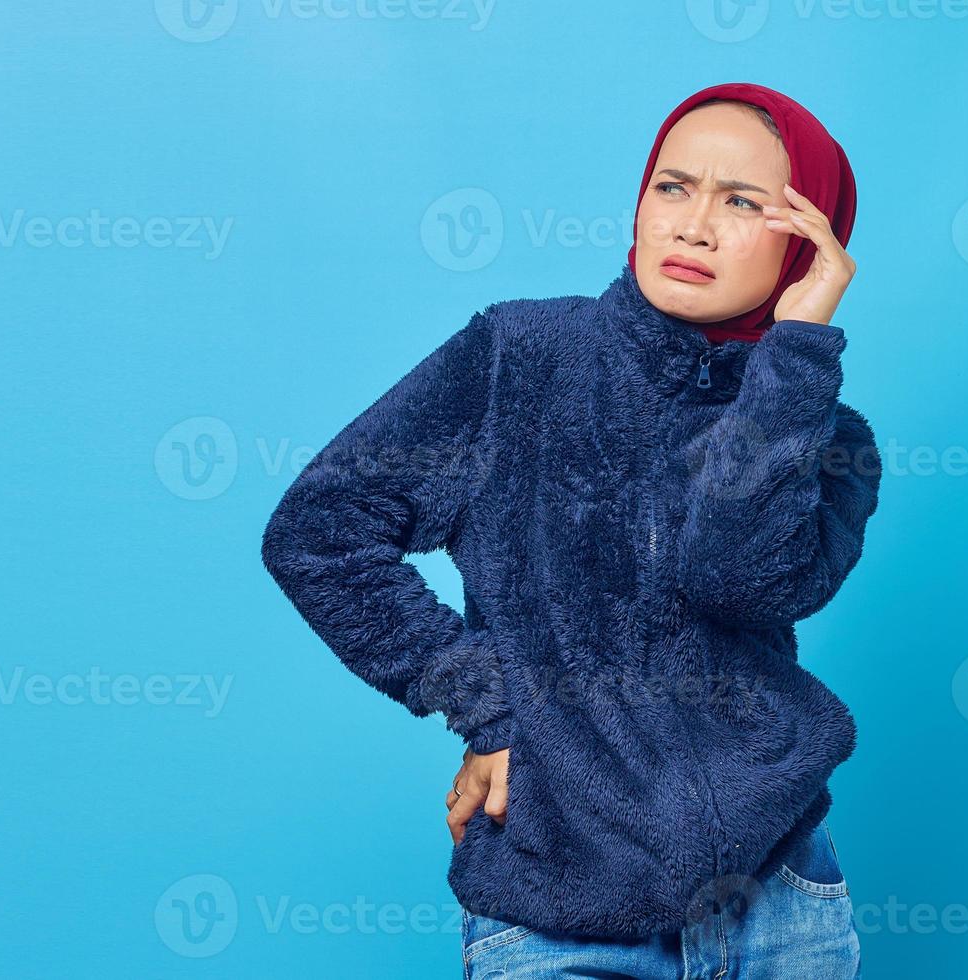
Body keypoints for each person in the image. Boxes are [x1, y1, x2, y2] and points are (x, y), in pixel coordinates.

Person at [261, 81, 880, 977]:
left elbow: (731, 578)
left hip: (782, 909)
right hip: (557, 915)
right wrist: (484, 705)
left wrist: (793, 363)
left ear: (809, 241)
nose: (694, 224)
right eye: (673, 186)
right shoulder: (521, 358)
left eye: (744, 202)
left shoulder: (825, 434)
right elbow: (319, 531)